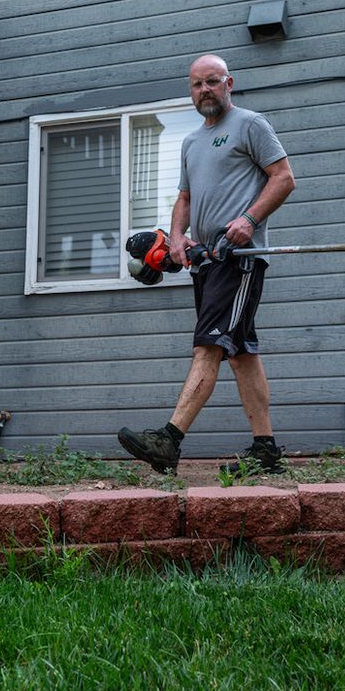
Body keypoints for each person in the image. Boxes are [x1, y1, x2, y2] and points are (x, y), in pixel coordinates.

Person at [118, 54, 296, 475]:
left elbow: (284, 177)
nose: (205, 91)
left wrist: (249, 220)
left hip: (239, 259)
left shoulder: (250, 124)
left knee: (210, 345)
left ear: (229, 83)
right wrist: (177, 239)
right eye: (197, 84)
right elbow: (185, 199)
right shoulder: (192, 142)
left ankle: (169, 439)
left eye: (212, 82)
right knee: (241, 354)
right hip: (206, 262)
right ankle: (265, 450)